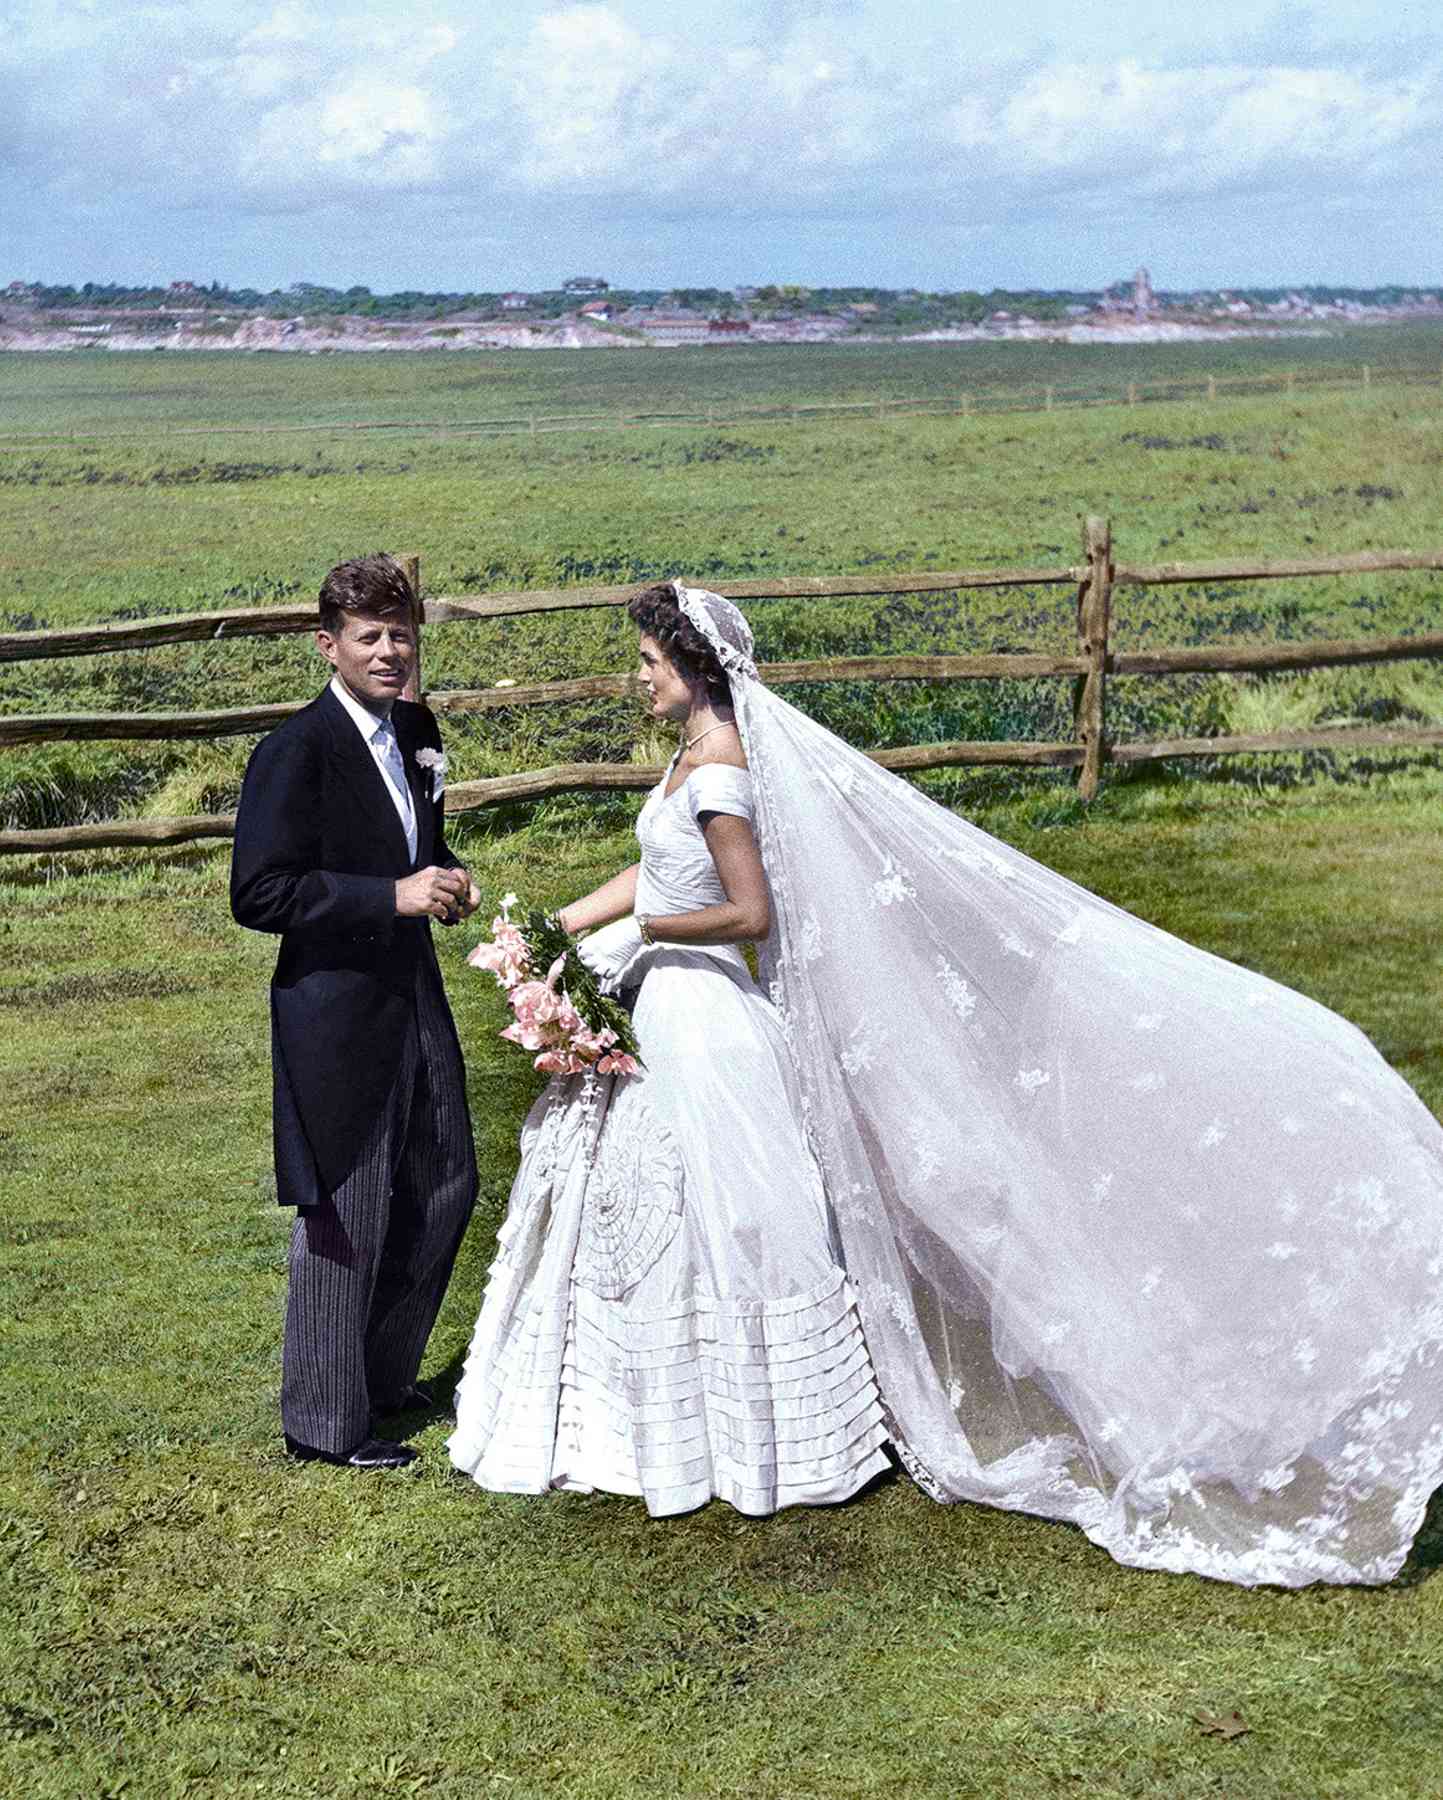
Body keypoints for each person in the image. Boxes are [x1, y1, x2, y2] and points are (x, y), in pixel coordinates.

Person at [450, 580, 1443, 1587]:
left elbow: (745, 912)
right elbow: (661, 872)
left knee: (722, 1206)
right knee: (650, 1200)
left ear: (694, 671)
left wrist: (646, 934)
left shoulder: (721, 774)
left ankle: (755, 1423)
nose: (640, 679)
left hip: (701, 1009)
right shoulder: (683, 763)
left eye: (651, 665)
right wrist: (566, 925)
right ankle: (663, 1418)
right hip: (666, 997)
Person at [232, 553, 480, 1470]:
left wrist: (444, 879)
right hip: (333, 1009)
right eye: (369, 637)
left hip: (413, 989)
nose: (389, 652)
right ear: (327, 644)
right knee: (348, 1204)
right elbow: (258, 893)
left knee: (449, 1178)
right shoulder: (294, 752)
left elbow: (417, 841)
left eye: (401, 635)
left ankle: (379, 1378)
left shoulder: (416, 727)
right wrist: (389, 898)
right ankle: (324, 1426)